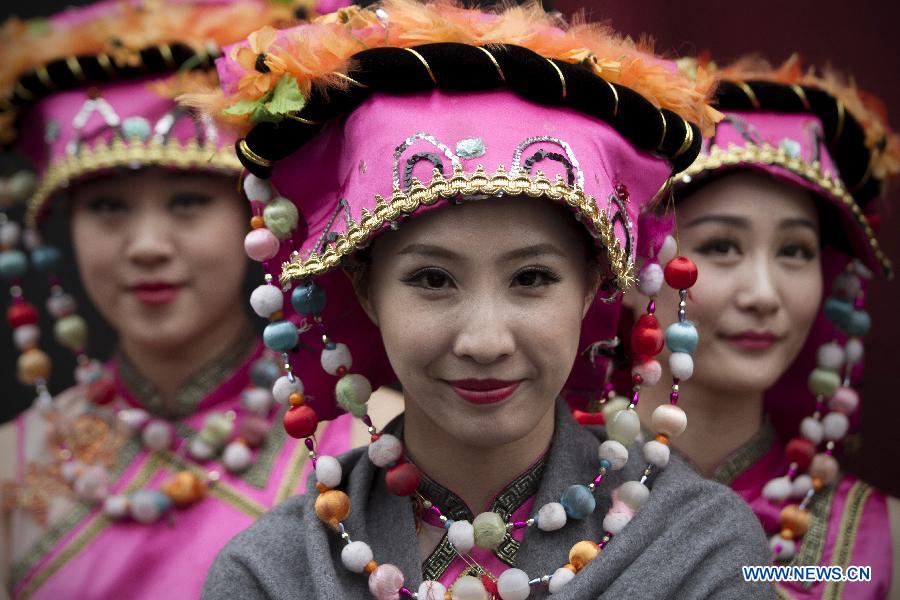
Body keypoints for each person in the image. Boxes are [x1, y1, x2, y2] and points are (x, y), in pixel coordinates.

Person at [192, 2, 774, 597]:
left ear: (594, 282)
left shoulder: (699, 547)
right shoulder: (272, 571)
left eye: (531, 279)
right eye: (432, 280)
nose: (485, 342)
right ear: (366, 289)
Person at [0, 1, 379, 598]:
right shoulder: (16, 462)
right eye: (107, 208)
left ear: (254, 217)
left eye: (187, 203)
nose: (147, 246)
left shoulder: (361, 441)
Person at [627, 56, 900, 598]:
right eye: (722, 246)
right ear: (631, 269)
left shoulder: (879, 541)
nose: (764, 295)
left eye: (795, 252)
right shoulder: (544, 506)